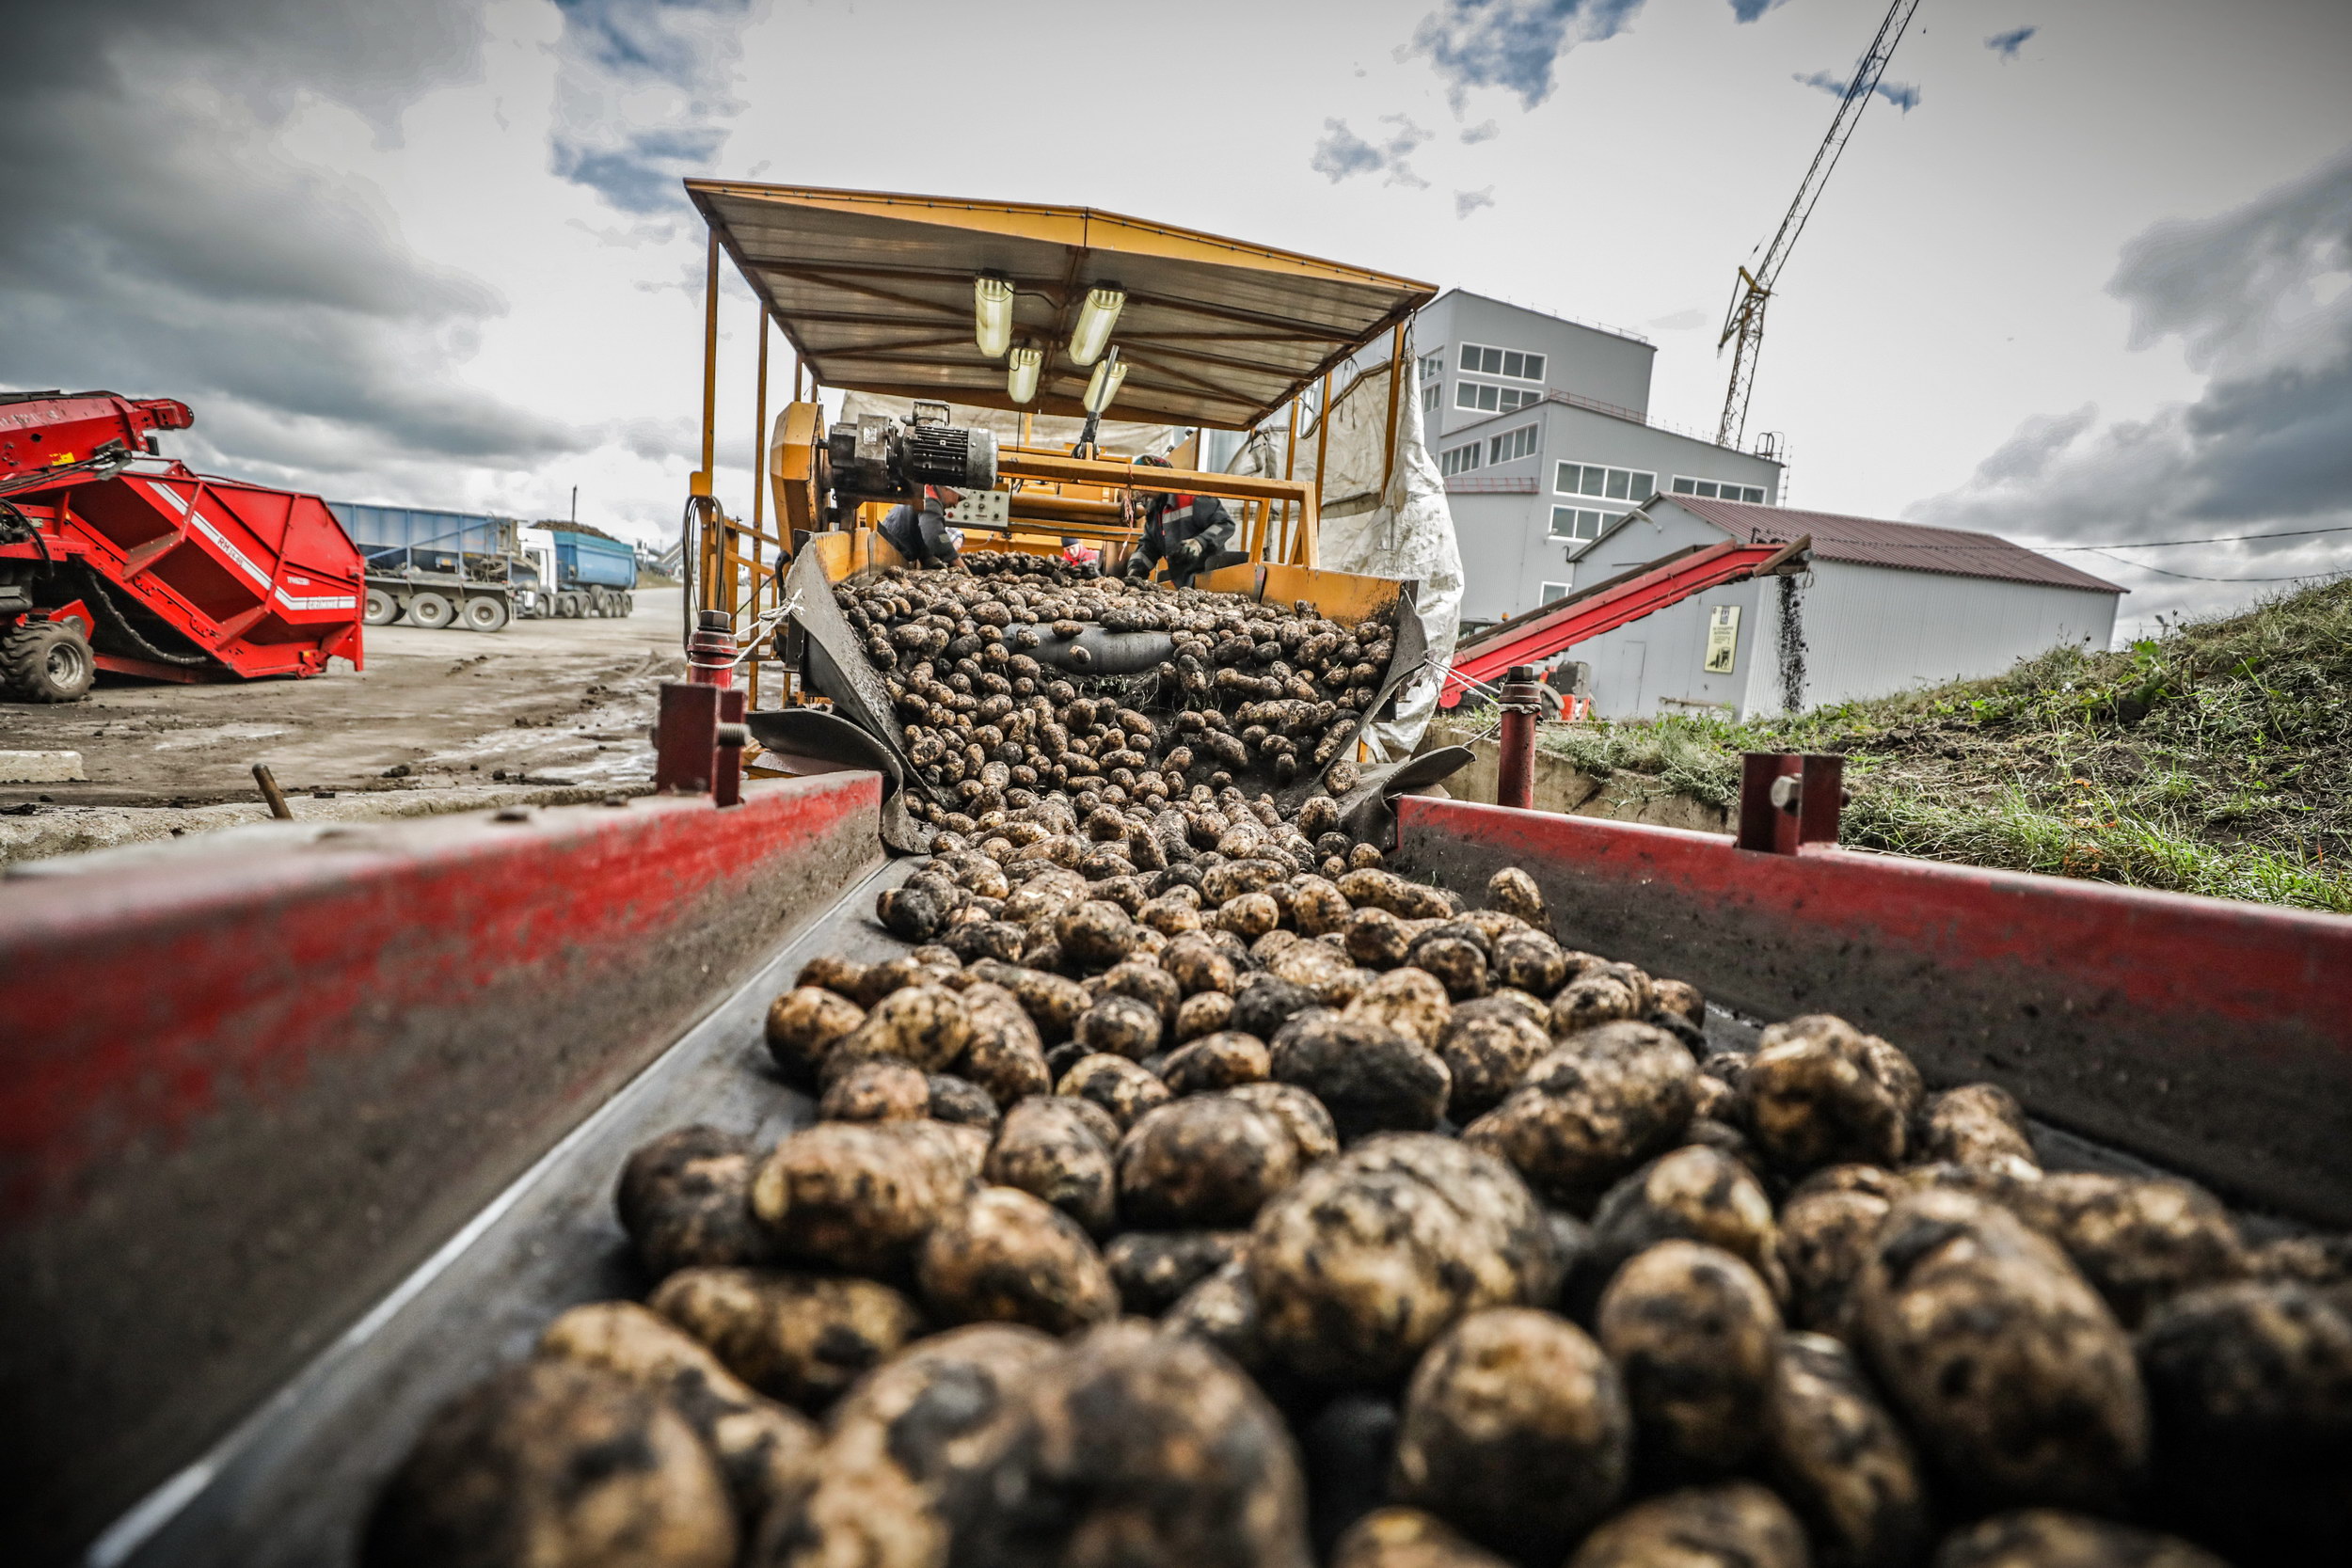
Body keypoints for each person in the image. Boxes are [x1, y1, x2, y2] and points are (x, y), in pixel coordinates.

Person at [1121, 456, 1248, 588]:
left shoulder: (1191, 497)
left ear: (1160, 480)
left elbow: (1225, 524)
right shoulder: (1154, 510)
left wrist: (1200, 542)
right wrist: (1135, 569)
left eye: (1142, 483)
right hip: (1182, 581)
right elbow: (1149, 547)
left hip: (1209, 579)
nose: (1139, 491)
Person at [878, 485, 961, 568]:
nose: (956, 505)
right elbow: (936, 535)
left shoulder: (927, 494)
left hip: (894, 552)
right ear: (947, 488)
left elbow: (928, 531)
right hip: (889, 553)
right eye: (959, 498)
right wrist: (958, 562)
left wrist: (929, 558)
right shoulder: (930, 500)